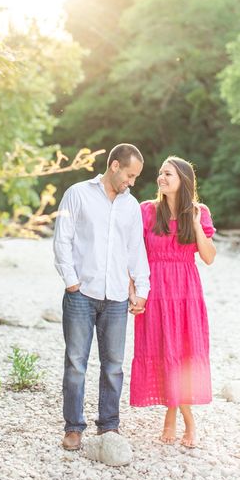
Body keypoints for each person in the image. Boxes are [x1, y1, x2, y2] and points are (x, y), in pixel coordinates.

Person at [53, 143, 150, 451]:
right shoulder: (78, 194)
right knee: (76, 363)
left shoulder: (130, 206)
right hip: (82, 294)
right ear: (115, 167)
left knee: (113, 365)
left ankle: (109, 425)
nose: (132, 183)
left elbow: (135, 249)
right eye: (130, 175)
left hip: (118, 296)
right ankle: (73, 427)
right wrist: (71, 281)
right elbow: (62, 238)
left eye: (136, 178)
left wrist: (142, 290)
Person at [129, 156, 216, 448]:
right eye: (160, 173)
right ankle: (177, 418)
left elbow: (208, 257)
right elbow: (133, 255)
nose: (161, 178)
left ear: (183, 179)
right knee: (162, 349)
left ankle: (179, 418)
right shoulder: (147, 211)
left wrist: (196, 225)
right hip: (155, 290)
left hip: (185, 293)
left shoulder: (199, 212)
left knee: (182, 352)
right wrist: (133, 289)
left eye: (168, 174)